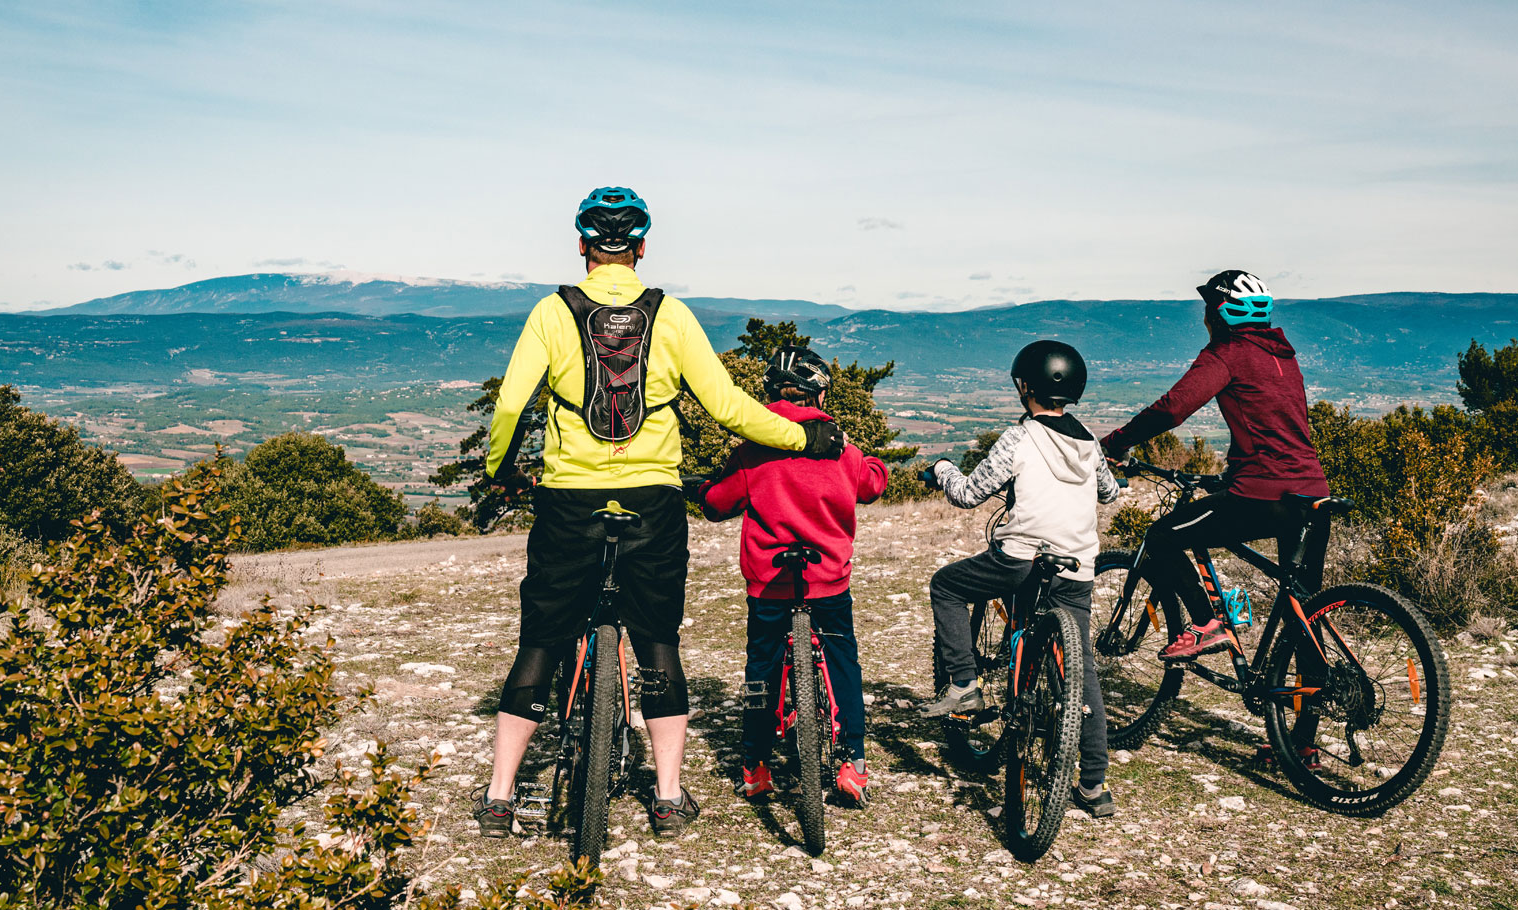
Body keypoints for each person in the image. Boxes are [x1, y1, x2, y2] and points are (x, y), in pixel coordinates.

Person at [472, 187, 848, 839]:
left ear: (583, 246)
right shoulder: (670, 317)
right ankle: (669, 799)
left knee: (541, 643)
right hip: (654, 503)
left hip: (569, 503)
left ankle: (502, 798)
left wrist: (497, 470)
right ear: (642, 248)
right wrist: (805, 438)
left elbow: (508, 407)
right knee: (658, 646)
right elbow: (729, 407)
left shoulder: (551, 313)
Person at [918, 340, 1120, 817]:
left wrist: (943, 469)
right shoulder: (1089, 440)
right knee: (1082, 668)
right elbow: (1108, 493)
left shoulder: (1019, 437)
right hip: (1077, 565)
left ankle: (964, 682)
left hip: (1021, 557)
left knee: (945, 586)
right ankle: (1094, 783)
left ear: (1023, 385)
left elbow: (969, 494)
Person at [1099, 270, 1330, 663]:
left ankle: (1207, 624)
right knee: (1303, 609)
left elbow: (1173, 409)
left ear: (1220, 314)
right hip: (1314, 494)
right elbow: (1277, 430)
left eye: (1207, 310)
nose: (1204, 320)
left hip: (1263, 495)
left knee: (1161, 537)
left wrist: (1114, 442)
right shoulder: (1284, 356)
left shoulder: (1227, 352)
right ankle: (1315, 697)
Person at [699, 345, 889, 807]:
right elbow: (872, 485)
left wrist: (705, 485)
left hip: (769, 581)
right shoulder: (839, 446)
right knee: (842, 659)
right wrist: (876, 463)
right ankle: (853, 764)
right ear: (819, 395)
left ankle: (757, 767)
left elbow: (716, 504)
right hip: (828, 578)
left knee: (761, 667)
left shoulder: (753, 450)